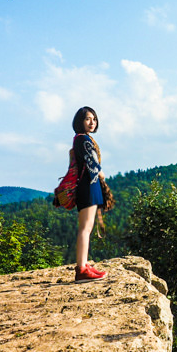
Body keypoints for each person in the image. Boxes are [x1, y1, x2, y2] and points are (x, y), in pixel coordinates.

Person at [71, 106, 108, 282]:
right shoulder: (82, 139)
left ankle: (84, 265)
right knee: (85, 228)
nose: (92, 122)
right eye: (87, 119)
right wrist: (102, 175)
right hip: (88, 186)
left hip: (89, 186)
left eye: (94, 118)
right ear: (80, 121)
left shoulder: (82, 139)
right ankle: (81, 269)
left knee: (88, 227)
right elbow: (92, 163)